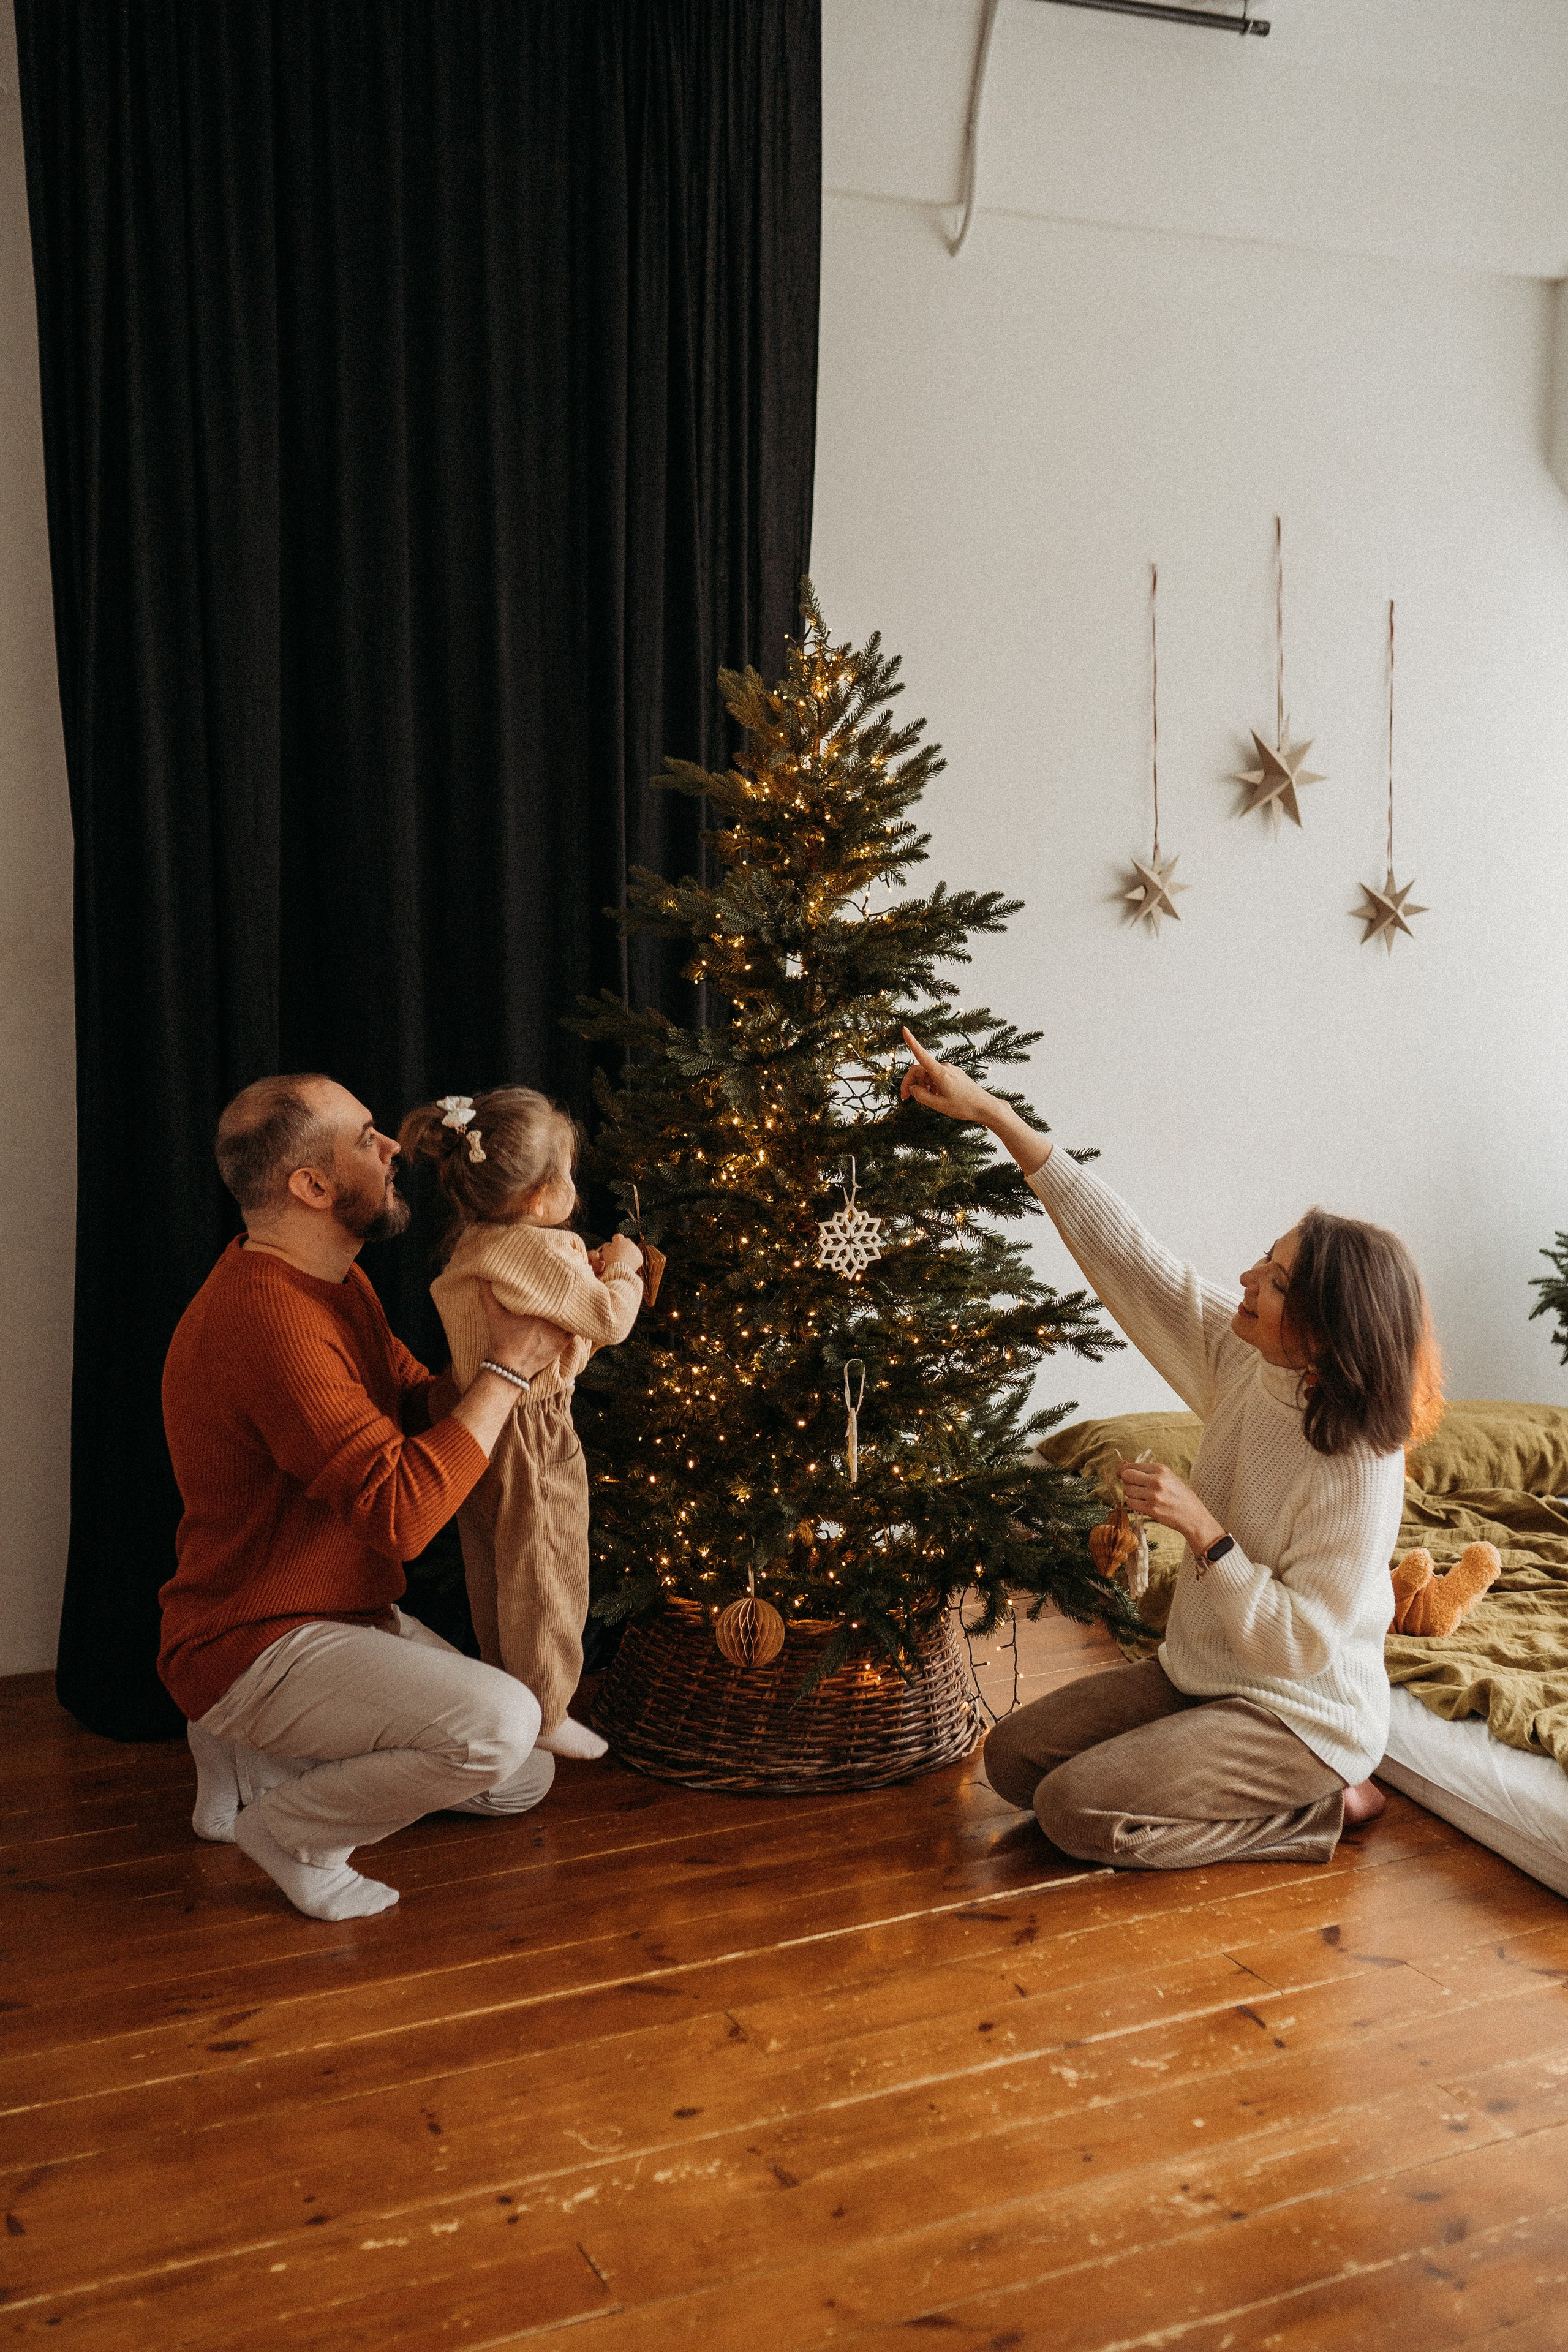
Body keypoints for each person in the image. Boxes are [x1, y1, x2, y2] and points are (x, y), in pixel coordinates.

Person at [900, 1027, 1428, 1871]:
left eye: (1278, 1279)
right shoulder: (1249, 1355)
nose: (1249, 1277)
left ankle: (1324, 1806)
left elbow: (1299, 1649)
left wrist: (1205, 1532)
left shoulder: (1360, 1467)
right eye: (1268, 1255)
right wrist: (994, 1115)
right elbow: (1135, 1259)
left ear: (1329, 1334)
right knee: (1013, 1762)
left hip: (1298, 1715)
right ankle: (1208, 1759)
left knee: (1076, 1813)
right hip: (1201, 1673)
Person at [160, 1073, 573, 1921]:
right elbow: (403, 1514)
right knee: (498, 1727)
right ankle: (289, 1831)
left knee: (523, 1772)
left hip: (339, 1615)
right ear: (310, 1187)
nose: (392, 1149)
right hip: (253, 1637)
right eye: (365, 1137)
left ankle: (244, 1758)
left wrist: (507, 1349)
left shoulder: (333, 1282)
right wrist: (502, 1375)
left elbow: (413, 1401)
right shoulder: (270, 1320)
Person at [399, 1087, 644, 1761]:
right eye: (566, 1175)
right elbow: (610, 1320)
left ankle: (510, 1688)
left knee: (494, 1563)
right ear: (539, 1199)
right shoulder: (544, 1250)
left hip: (476, 1428)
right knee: (547, 1565)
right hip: (533, 1431)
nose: (573, 1189)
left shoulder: (475, 1245)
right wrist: (623, 1271)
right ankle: (546, 1707)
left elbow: (554, 1321)